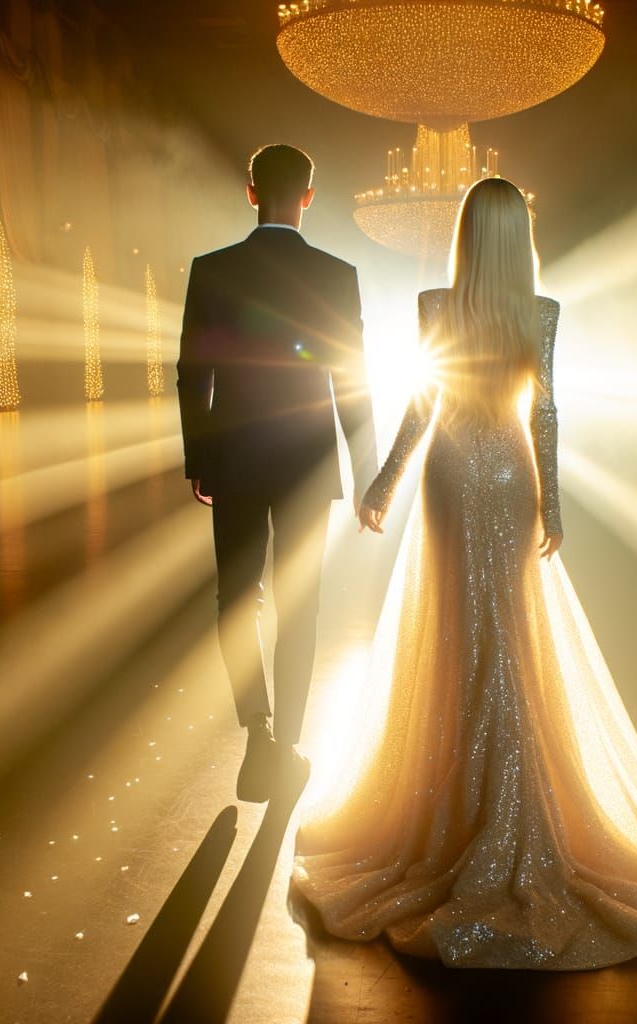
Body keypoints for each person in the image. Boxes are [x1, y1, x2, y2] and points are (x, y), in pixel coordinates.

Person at [291, 177, 637, 969]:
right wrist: (554, 507)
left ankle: (453, 807)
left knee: (457, 636)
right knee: (512, 641)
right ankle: (508, 805)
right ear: (518, 237)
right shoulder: (541, 313)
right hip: (509, 477)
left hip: (450, 477)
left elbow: (423, 407)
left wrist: (387, 482)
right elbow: (545, 413)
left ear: (466, 237)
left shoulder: (436, 305)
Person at [177, 144, 377, 804]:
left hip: (233, 457)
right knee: (301, 601)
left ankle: (257, 729)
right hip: (307, 461)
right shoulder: (336, 274)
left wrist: (200, 459)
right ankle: (287, 743)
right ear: (309, 197)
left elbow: (192, 374)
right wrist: (368, 470)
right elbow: (351, 382)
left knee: (236, 598)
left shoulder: (213, 270)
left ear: (251, 192)